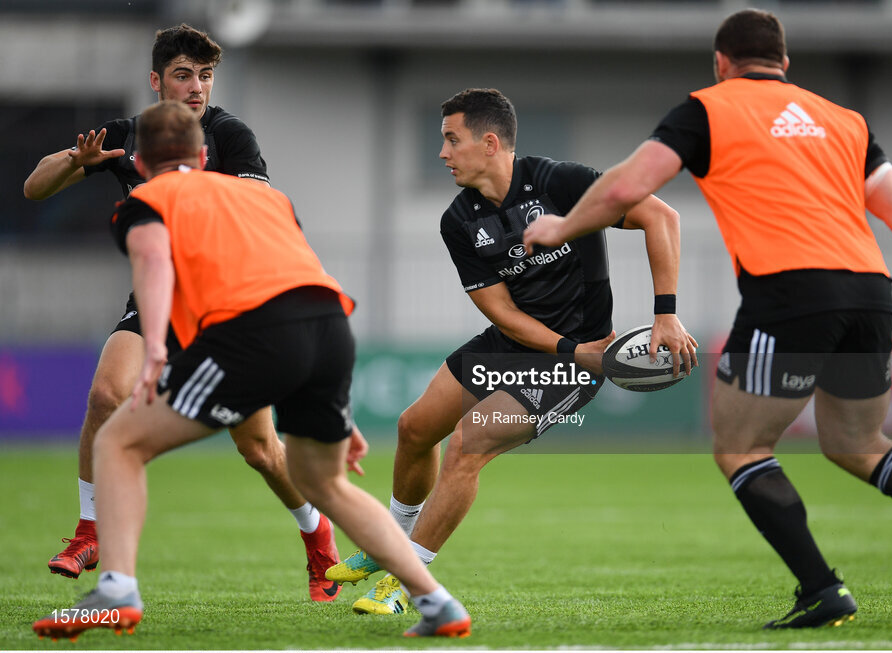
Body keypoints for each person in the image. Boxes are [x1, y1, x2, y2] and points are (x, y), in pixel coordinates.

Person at [522, 8, 892, 629]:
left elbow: (628, 185)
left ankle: (820, 588)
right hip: (870, 292)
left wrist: (562, 226)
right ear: (785, 63)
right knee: (858, 444)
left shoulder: (709, 108)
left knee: (739, 445)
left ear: (721, 63)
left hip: (791, 293)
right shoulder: (844, 121)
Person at [31, 100, 471, 641]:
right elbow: (297, 269)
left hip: (255, 335)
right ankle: (437, 601)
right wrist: (334, 404)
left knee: (118, 441)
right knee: (325, 482)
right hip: (329, 327)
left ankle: (117, 590)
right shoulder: (265, 196)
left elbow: (150, 259)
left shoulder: (147, 198)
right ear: (203, 153)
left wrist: (154, 351)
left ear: (140, 163)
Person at [326, 88, 699, 615]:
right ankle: (388, 541)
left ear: (490, 142)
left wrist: (666, 313)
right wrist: (571, 349)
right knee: (414, 428)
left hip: (572, 368)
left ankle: (406, 583)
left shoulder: (562, 182)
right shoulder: (457, 220)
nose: (442, 153)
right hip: (529, 346)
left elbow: (662, 217)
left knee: (466, 446)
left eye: (452, 140)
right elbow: (500, 311)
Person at [23, 24, 342, 602]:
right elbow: (34, 188)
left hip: (227, 305)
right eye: (183, 74)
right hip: (157, 298)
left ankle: (317, 536)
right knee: (103, 397)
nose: (197, 87)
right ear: (156, 80)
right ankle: (89, 531)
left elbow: (255, 209)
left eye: (205, 75)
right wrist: (76, 159)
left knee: (259, 449)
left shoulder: (229, 135)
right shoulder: (129, 136)